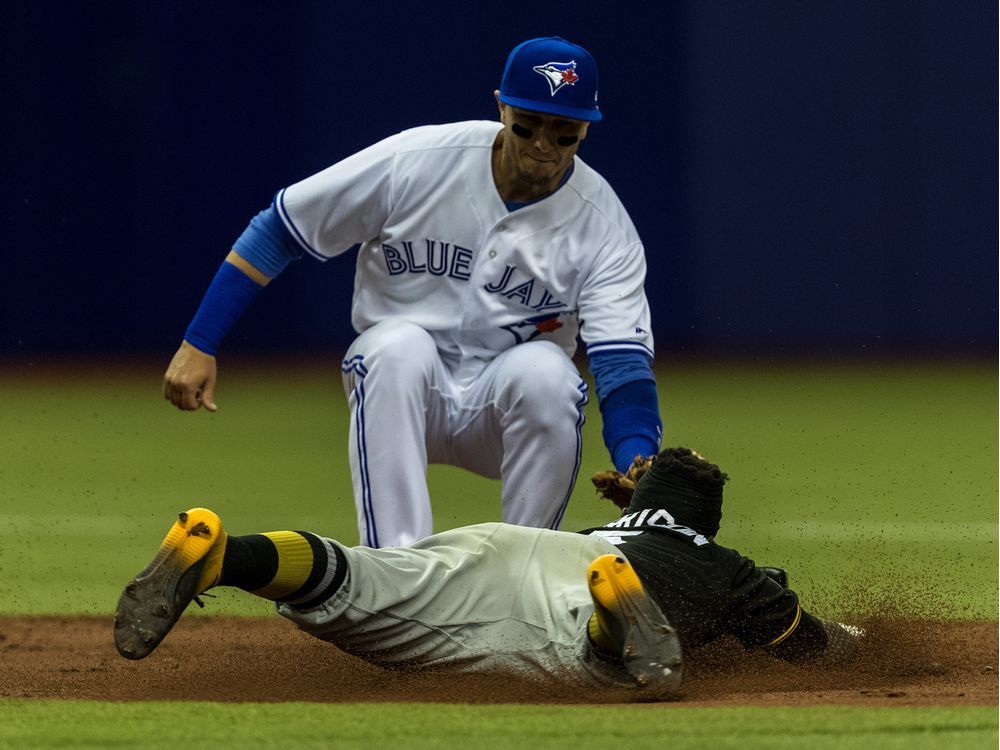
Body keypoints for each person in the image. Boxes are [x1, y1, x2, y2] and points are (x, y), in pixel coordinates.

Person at [161, 36, 663, 547]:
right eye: (529, 124)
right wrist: (200, 342)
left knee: (549, 375)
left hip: (503, 412)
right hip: (399, 394)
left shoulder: (602, 224)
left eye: (564, 132)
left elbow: (621, 362)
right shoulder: (421, 160)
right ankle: (397, 570)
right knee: (398, 347)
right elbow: (281, 229)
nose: (542, 145)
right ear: (501, 106)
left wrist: (638, 458)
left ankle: (520, 578)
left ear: (585, 129)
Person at [114, 448, 864, 701]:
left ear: (645, 500)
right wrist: (855, 640)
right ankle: (614, 614)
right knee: (599, 656)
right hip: (581, 584)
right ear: (707, 520)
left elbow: (651, 516)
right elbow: (805, 644)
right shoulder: (725, 566)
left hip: (510, 546)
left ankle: (224, 553)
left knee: (363, 579)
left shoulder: (604, 525)